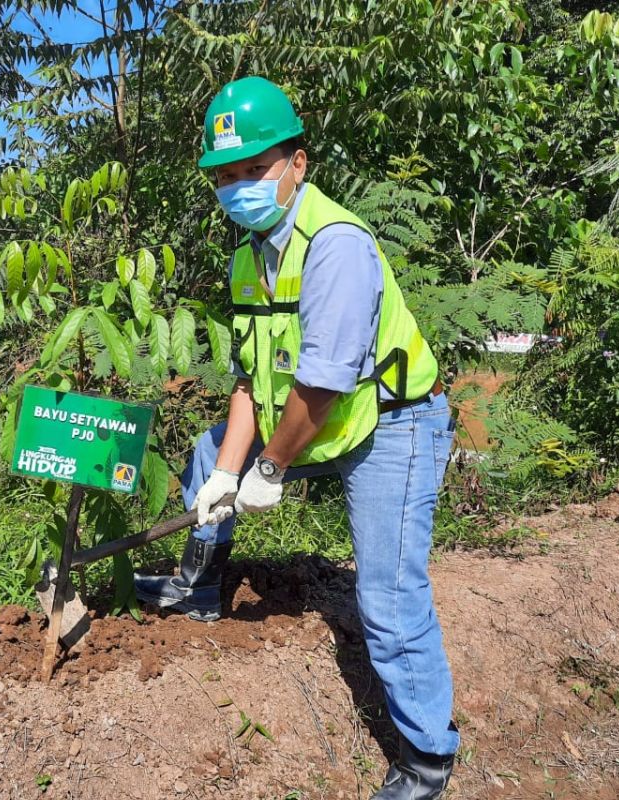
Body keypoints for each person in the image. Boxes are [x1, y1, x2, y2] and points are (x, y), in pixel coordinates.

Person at [134, 76, 458, 799]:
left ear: (297, 164)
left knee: (388, 596)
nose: (239, 187)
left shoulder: (335, 244)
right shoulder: (248, 255)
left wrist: (272, 469)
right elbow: (255, 380)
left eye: (255, 170)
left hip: (391, 423)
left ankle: (428, 760)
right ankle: (199, 585)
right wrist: (226, 474)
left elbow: (323, 384)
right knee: (205, 454)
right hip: (314, 418)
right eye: (225, 177)